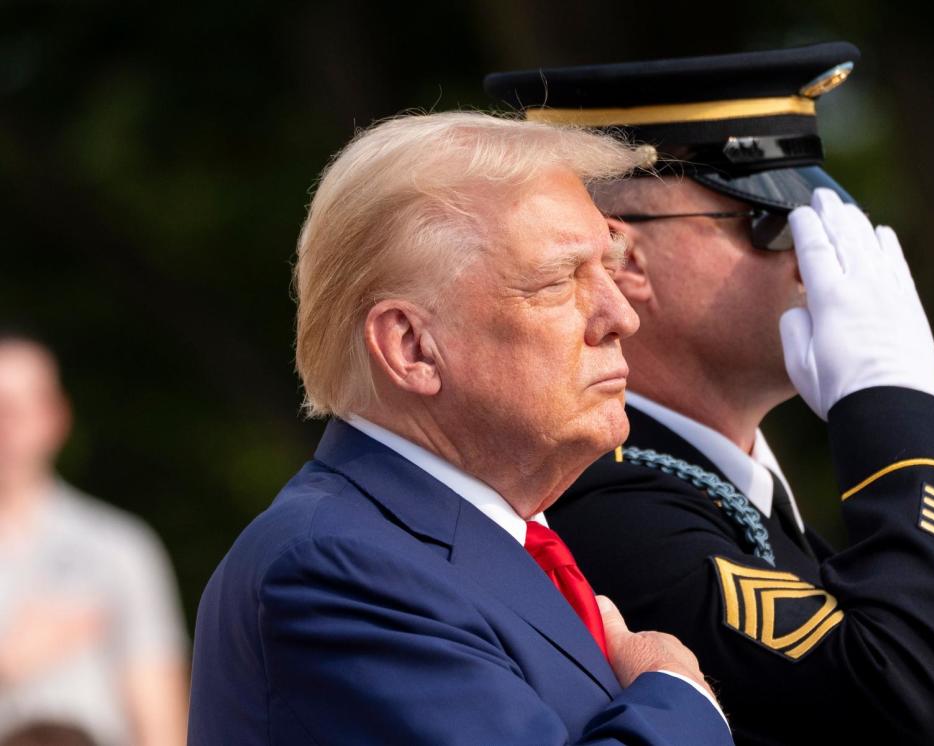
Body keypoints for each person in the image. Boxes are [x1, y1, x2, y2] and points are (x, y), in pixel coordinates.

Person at [486, 43, 934, 745]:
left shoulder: (727, 493)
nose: (811, 255)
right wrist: (900, 416)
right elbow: (918, 710)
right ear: (621, 257)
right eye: (771, 222)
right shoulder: (605, 506)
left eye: (819, 217)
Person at [187, 112, 732, 745]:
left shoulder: (470, 541)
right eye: (560, 281)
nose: (620, 316)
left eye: (608, 269)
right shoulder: (338, 566)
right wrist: (679, 696)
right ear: (411, 346)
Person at [0, 334, 188, 746]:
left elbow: (159, 719)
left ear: (54, 417)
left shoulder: (119, 547)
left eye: (16, 409)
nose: (4, 427)